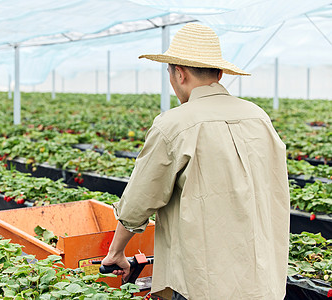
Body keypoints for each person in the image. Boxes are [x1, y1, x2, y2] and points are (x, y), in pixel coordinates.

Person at [101, 23, 290, 300]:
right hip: (262, 281)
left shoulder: (174, 125)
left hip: (203, 284)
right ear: (220, 74)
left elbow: (139, 201)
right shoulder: (259, 118)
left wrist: (116, 252)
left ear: (179, 73)